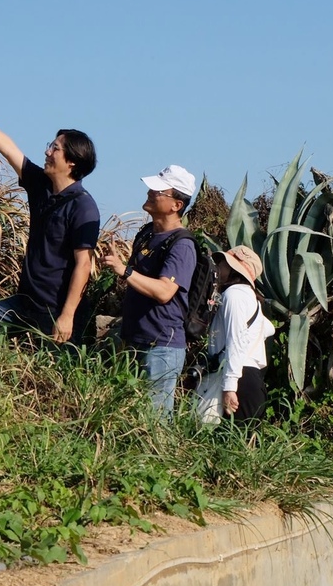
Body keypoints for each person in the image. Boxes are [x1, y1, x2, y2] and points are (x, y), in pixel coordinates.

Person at [0, 75, 100, 345]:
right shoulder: (41, 185)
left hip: (56, 311)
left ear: (71, 162)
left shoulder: (83, 206)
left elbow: (84, 264)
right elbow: (9, 148)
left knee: (54, 378)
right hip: (25, 303)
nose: (47, 151)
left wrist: (67, 315)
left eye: (55, 148)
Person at [102, 165, 197, 415]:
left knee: (153, 424)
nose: (150, 192)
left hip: (162, 346)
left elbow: (165, 291)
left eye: (158, 190)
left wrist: (125, 271)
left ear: (176, 205)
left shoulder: (182, 245)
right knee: (128, 416)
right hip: (134, 339)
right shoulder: (146, 234)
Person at [194, 245, 275, 423]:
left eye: (223, 263)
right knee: (240, 445)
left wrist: (230, 387)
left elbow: (235, 341)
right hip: (249, 377)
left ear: (233, 269)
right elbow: (269, 328)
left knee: (225, 444)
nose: (219, 267)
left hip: (239, 380)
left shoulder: (234, 295)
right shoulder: (248, 297)